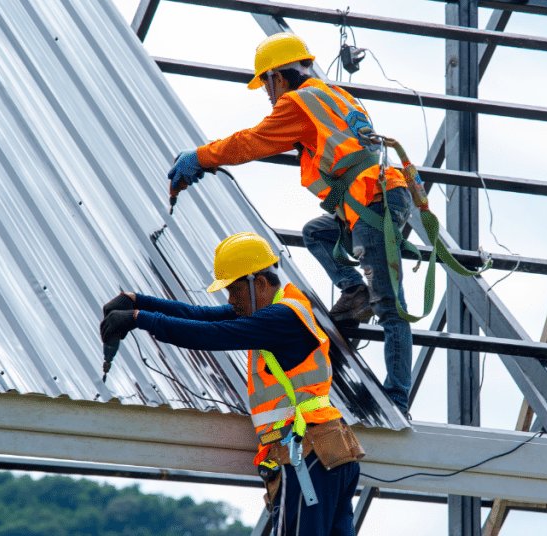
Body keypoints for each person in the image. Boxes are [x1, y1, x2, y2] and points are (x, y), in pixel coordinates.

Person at [166, 32, 414, 414]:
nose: (268, 95)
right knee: (317, 233)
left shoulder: (298, 103)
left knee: (391, 305)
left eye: (266, 85)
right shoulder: (333, 95)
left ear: (277, 77)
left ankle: (398, 398)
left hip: (372, 203)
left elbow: (251, 142)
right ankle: (354, 291)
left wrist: (201, 156)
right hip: (374, 198)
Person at [100, 232, 363, 536]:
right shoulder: (281, 308)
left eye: (234, 290)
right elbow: (201, 317)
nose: (230, 300)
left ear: (259, 283)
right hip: (329, 450)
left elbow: (212, 334)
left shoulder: (280, 317)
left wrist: (137, 318)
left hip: (308, 453)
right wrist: (137, 302)